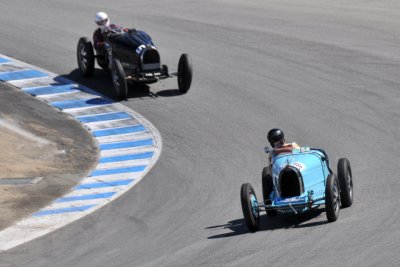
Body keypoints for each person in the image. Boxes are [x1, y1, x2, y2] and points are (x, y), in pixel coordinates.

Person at [262, 128, 300, 204]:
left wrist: (275, 150)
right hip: (280, 173)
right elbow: (270, 168)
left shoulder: (292, 145)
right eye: (277, 142)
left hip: (296, 168)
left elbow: (294, 150)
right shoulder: (272, 153)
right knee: (266, 174)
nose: (280, 142)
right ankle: (269, 200)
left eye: (280, 141)